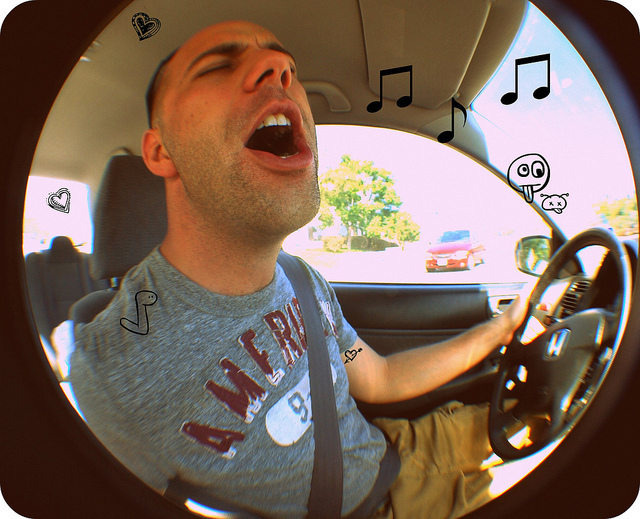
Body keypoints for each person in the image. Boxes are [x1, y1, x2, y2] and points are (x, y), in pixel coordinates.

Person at [69, 20, 528, 519]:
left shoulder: (305, 281)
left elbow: (382, 378)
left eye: (286, 63)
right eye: (218, 66)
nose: (281, 68)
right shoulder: (111, 370)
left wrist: (501, 328)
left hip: (406, 454)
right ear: (161, 152)